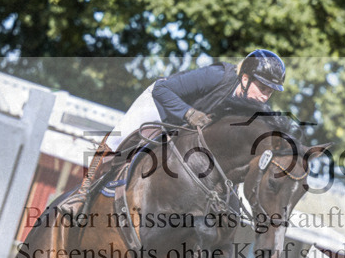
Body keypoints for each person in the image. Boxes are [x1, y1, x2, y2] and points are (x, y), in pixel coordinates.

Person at [61, 49, 287, 213]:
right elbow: (162, 89)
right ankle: (83, 193)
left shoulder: (254, 109)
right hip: (162, 105)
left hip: (188, 130)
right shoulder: (217, 76)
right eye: (263, 88)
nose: (265, 97)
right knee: (119, 139)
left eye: (270, 92)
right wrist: (188, 113)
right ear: (245, 79)